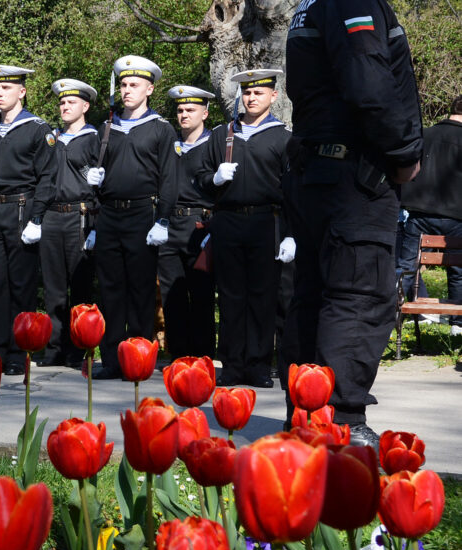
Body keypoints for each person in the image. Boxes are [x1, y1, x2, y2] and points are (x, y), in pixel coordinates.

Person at [283, 0, 423, 447]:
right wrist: (404, 152)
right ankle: (339, 420)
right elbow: (368, 83)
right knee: (357, 295)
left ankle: (306, 416)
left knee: (313, 295)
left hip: (319, 170)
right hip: (353, 176)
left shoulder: (311, 4)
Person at [196, 70, 293, 388]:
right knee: (230, 296)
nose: (251, 98)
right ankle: (233, 364)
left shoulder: (283, 137)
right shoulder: (221, 135)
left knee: (264, 297)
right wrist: (214, 178)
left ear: (273, 96)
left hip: (267, 222)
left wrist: (291, 234)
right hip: (228, 221)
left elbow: (294, 190)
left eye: (259, 93)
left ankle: (259, 366)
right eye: (247, 92)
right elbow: (199, 178)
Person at [89, 56, 177, 379]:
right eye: (124, 84)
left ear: (149, 89)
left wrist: (163, 219)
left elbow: (169, 178)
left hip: (142, 214)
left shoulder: (161, 129)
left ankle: (138, 359)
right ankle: (112, 360)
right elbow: (97, 171)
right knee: (110, 290)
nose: (127, 90)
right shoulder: (107, 127)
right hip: (110, 215)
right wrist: (93, 183)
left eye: (134, 85)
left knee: (141, 291)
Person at [0, 64, 57, 375]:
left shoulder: (37, 129)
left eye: (6, 88)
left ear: (21, 92)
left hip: (22, 209)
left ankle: (19, 352)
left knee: (21, 286)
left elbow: (47, 176)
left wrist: (37, 218)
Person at [39, 78, 99, 368]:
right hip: (52, 216)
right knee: (53, 288)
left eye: (71, 102)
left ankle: (79, 349)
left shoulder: (95, 138)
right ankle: (55, 348)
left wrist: (96, 225)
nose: (65, 106)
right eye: (62, 102)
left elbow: (101, 184)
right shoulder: (52, 138)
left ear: (85, 107)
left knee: (80, 287)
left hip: (80, 215)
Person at [159, 86, 216, 359]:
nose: (184, 114)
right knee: (172, 296)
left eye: (191, 109)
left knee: (202, 296)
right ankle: (179, 358)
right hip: (170, 224)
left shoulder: (215, 144)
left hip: (200, 225)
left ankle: (203, 359)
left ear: (204, 113)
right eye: (180, 110)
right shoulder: (170, 145)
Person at [397, 94, 462, 333]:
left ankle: (389, 316)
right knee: (458, 271)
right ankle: (458, 324)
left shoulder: (424, 135)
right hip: (456, 215)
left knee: (405, 268)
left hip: (418, 213)